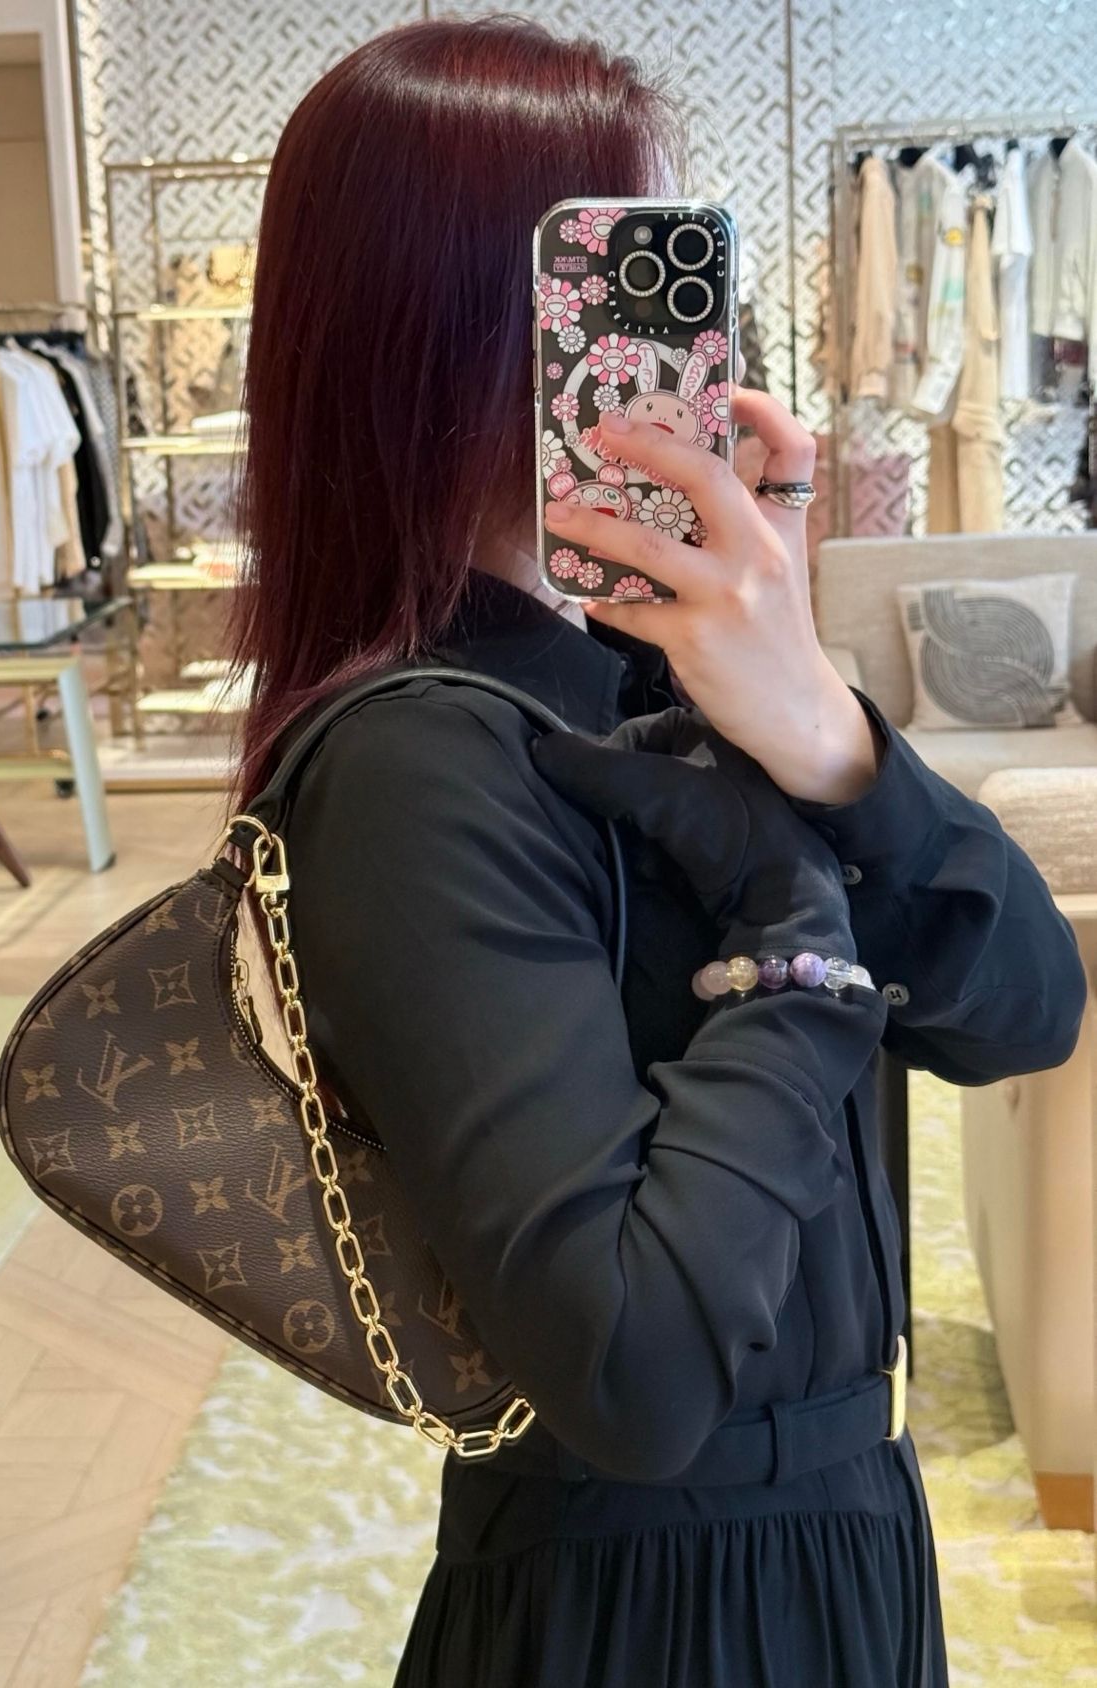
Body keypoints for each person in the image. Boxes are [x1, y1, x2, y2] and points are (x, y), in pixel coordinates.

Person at [228, 17, 1087, 1688]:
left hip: (844, 1535)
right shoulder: (419, 762)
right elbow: (634, 1373)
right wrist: (795, 921)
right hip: (653, 1607)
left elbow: (1028, 1009)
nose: (686, 339)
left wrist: (825, 738)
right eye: (627, 273)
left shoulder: (670, 688)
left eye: (691, 273)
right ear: (461, 325)